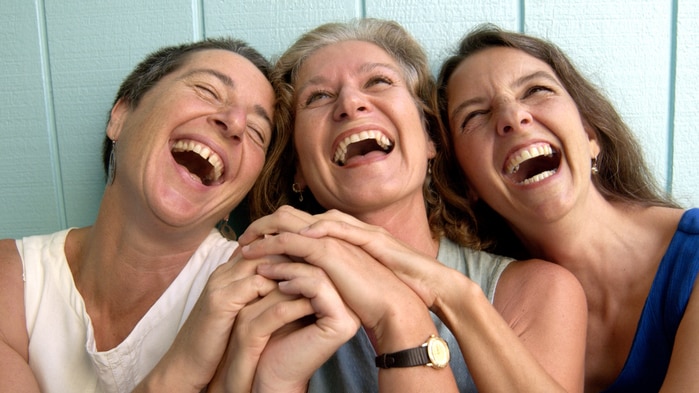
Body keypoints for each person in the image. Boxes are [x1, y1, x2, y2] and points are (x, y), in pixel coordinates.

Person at [224, 18, 588, 392]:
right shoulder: (269, 305)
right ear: (297, 168)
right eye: (317, 97)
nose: (350, 104)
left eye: (378, 82)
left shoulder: (535, 293)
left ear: (430, 137)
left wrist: (404, 310)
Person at [0, 37, 280, 392]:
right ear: (120, 116)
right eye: (207, 90)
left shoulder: (260, 297)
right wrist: (180, 370)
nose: (235, 124)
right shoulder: (10, 281)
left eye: (257, 132)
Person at [436, 24, 699, 392]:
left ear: (590, 135)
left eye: (537, 90)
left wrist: (463, 306)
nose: (513, 117)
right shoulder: (496, 294)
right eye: (475, 115)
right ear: (467, 184)